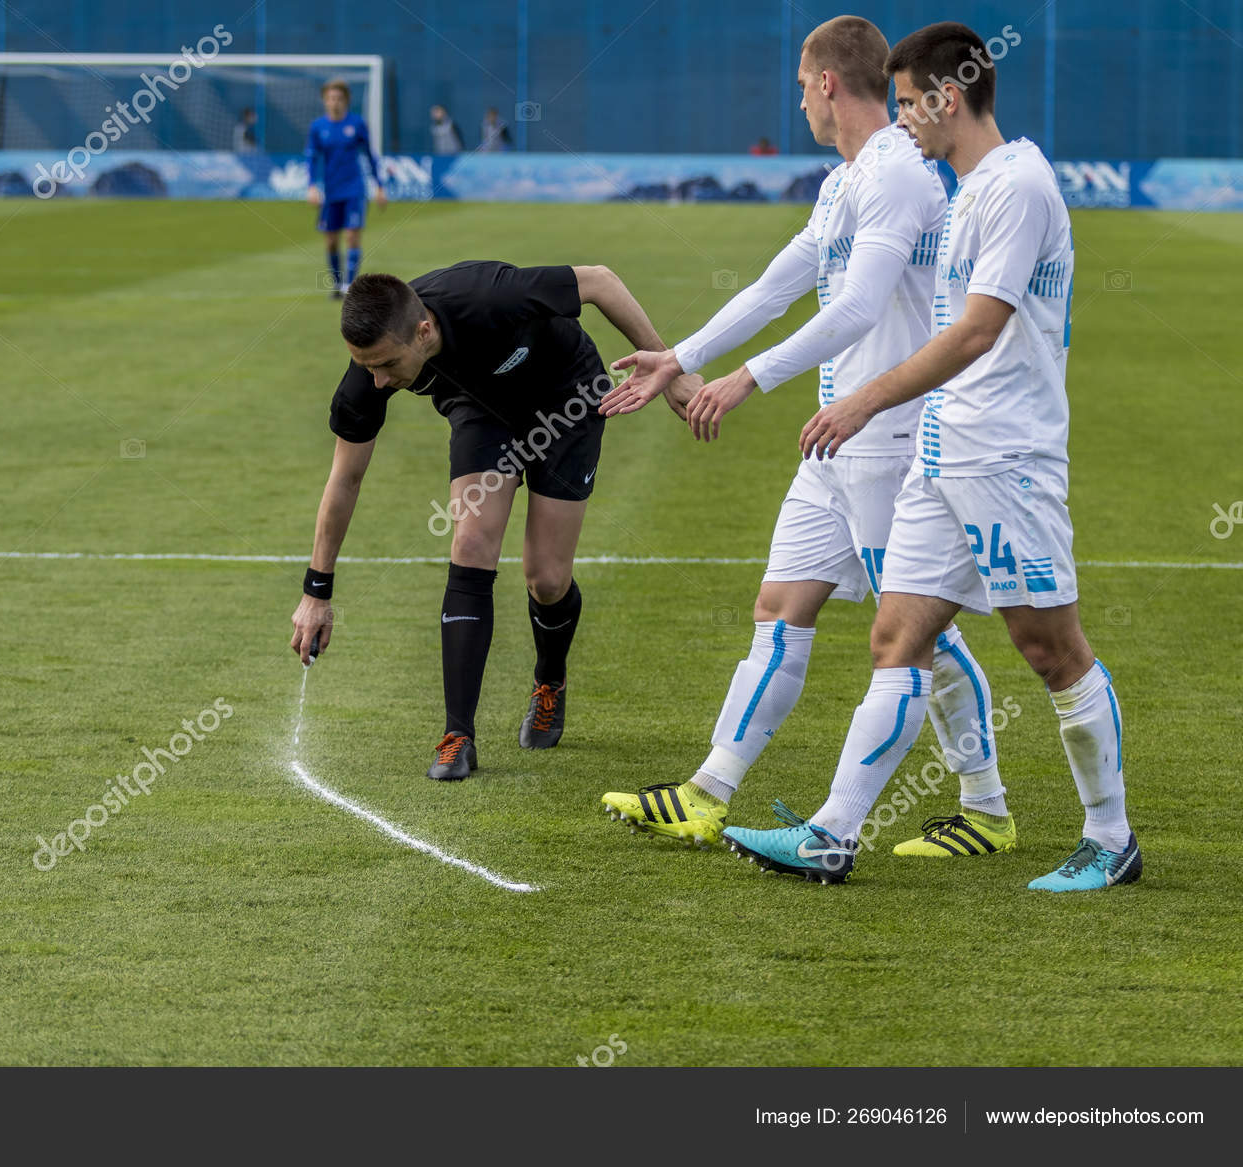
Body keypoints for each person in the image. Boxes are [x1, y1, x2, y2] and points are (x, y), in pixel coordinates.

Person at [722, 22, 1138, 892]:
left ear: (949, 98)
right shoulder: (963, 191)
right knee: (897, 637)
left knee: (1049, 648)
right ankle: (834, 833)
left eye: (911, 104)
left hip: (1007, 455)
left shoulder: (1019, 185)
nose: (903, 120)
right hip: (943, 454)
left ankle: (1111, 836)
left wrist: (864, 399)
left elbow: (978, 332)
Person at [596, 15, 1010, 860]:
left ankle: (986, 805)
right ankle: (707, 792)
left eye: (799, 83)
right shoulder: (844, 181)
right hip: (836, 441)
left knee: (918, 635)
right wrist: (681, 356)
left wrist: (747, 379)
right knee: (779, 610)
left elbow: (857, 306)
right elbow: (779, 283)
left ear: (827, 83)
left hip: (888, 436)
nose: (798, 99)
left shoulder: (896, 174)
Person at [289, 264, 702, 779]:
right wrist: (316, 592)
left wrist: (672, 369)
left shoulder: (489, 297)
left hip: (567, 398)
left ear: (424, 331)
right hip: (481, 411)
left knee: (546, 579)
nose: (378, 380)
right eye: (366, 366)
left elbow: (598, 281)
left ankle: (549, 679)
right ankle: (457, 735)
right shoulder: (367, 379)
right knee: (472, 540)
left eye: (388, 364)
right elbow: (344, 481)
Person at [305, 79, 387, 299]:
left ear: (346, 101)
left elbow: (371, 155)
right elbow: (311, 159)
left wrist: (380, 185)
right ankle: (337, 282)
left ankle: (349, 286)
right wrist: (311, 186)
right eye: (331, 98)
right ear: (325, 100)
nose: (335, 102)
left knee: (352, 237)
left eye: (339, 98)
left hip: (354, 189)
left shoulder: (357, 123)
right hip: (331, 192)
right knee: (331, 240)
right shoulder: (318, 127)